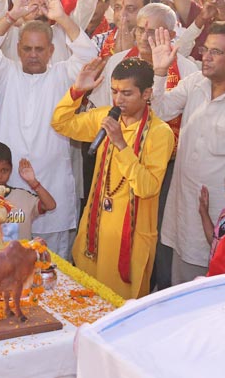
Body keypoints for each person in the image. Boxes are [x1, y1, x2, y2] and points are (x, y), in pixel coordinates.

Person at [0, 0, 98, 259]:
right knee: (9, 259)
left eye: (39, 49)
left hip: (53, 185)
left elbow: (89, 56)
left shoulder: (63, 74)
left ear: (51, 50)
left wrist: (62, 18)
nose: (33, 54)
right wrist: (12, 15)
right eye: (27, 49)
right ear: (18, 49)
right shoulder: (6, 73)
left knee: (53, 266)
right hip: (11, 192)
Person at [53, 58, 175, 298]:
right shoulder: (105, 118)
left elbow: (147, 187)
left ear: (147, 93)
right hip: (95, 230)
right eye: (114, 91)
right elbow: (60, 123)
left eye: (127, 93)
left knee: (118, 310)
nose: (118, 100)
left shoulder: (160, 133)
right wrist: (77, 90)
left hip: (128, 238)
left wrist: (121, 144)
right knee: (86, 302)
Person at [150, 24, 225, 284]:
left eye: (216, 51)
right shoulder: (195, 82)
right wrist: (160, 72)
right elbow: (159, 111)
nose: (206, 56)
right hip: (185, 209)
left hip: (222, 219)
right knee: (179, 290)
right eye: (205, 49)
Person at [0, 142, 57, 242]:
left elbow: (50, 205)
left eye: (4, 170)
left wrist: (33, 182)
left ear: (11, 169)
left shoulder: (23, 197)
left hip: (21, 256)